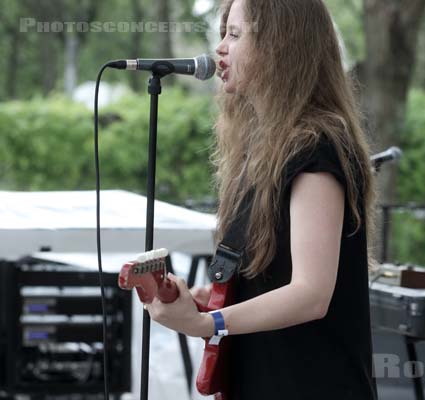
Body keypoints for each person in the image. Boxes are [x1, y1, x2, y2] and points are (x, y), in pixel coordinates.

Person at [145, 1, 378, 399]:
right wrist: (215, 299)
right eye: (223, 33)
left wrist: (210, 323)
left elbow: (310, 293)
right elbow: (271, 278)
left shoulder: (316, 147)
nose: (220, 48)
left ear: (279, 46)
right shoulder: (260, 149)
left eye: (235, 35)